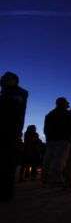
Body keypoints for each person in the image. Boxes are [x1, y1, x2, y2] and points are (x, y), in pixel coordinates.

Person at [0, 72, 28, 202]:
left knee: (7, 162)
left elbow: (12, 112)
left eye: (5, 79)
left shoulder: (16, 94)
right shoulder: (7, 93)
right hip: (10, 130)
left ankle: (6, 192)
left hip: (9, 130)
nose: (2, 81)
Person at [42, 97, 70, 186]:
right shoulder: (67, 114)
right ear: (63, 104)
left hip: (51, 139)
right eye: (66, 103)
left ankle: (45, 177)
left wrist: (48, 137)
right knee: (60, 159)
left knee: (49, 158)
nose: (68, 105)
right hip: (62, 139)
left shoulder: (49, 114)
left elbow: (45, 129)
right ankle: (56, 178)